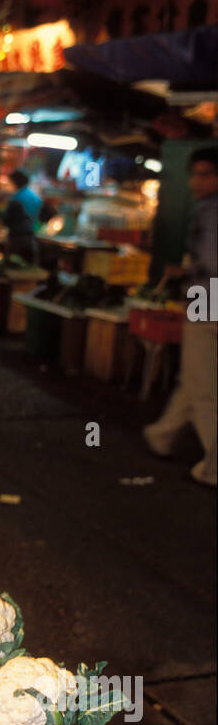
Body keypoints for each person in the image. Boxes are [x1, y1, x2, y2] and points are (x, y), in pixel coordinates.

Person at [143, 147, 218, 487]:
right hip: (206, 293)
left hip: (208, 296)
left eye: (206, 174)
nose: (196, 181)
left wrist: (190, 276)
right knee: (196, 371)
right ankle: (162, 435)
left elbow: (212, 264)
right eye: (195, 173)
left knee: (202, 380)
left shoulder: (209, 211)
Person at [2, 170, 41, 263]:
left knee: (14, 264)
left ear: (15, 181)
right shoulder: (35, 197)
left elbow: (7, 219)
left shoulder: (17, 197)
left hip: (17, 237)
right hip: (31, 236)